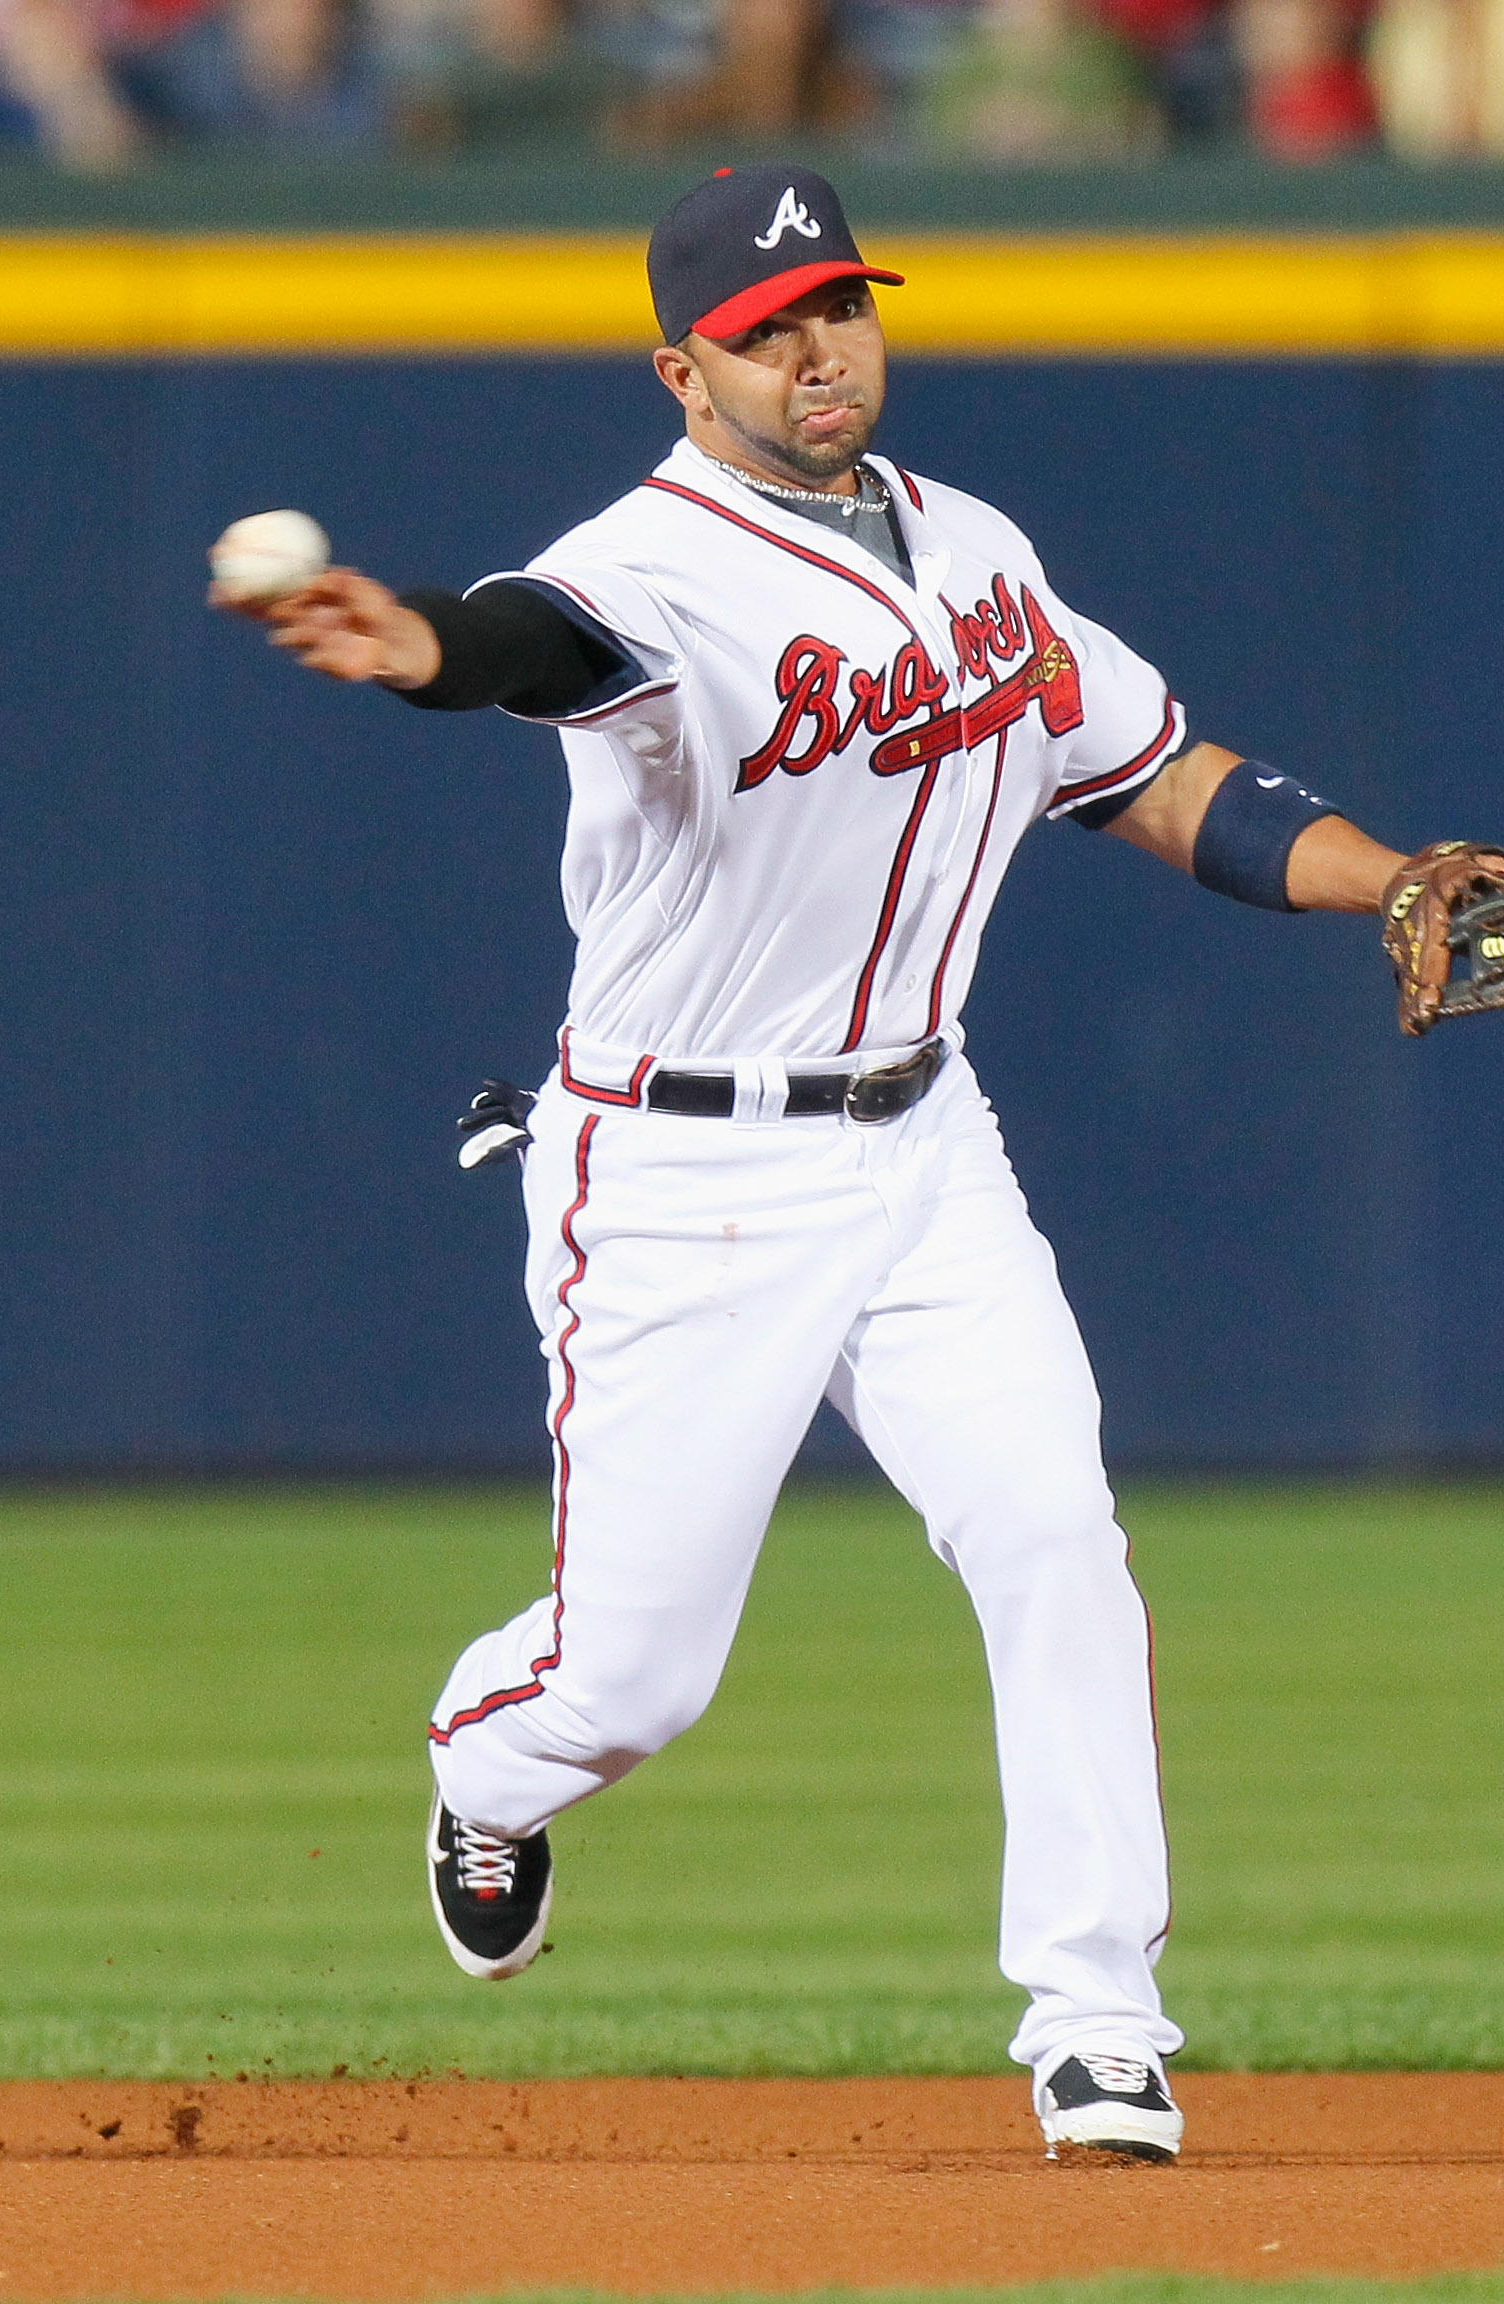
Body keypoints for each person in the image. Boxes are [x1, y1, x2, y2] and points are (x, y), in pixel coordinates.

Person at [216, 164, 1432, 2163]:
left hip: (924, 1143)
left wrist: (1390, 881)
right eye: (767, 329)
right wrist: (420, 643)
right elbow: (524, 640)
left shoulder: (975, 551)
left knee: (1049, 1532)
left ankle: (1095, 2018)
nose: (815, 351)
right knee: (629, 1682)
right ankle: (488, 1774)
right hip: (680, 1175)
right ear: (685, 373)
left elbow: (1153, 777)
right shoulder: (651, 561)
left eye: (837, 308)